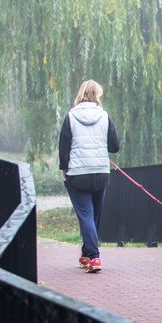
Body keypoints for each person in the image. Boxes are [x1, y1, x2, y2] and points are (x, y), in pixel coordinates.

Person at [59, 79, 120, 273]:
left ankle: (94, 257)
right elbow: (114, 146)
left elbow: (64, 147)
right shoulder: (105, 116)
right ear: (97, 95)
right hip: (101, 173)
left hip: (78, 174)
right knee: (95, 215)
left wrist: (64, 170)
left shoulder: (71, 117)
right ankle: (87, 254)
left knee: (86, 214)